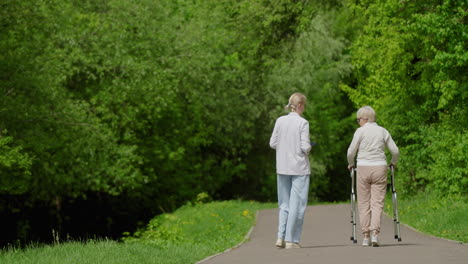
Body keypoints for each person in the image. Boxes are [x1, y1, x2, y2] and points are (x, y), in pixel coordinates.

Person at [347, 106, 399, 247]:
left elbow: (351, 152)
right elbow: (395, 150)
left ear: (365, 119)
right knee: (377, 203)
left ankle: (365, 236)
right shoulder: (382, 131)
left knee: (364, 203)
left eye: (359, 119)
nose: (358, 122)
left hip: (363, 167)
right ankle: (375, 234)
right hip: (380, 167)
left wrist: (351, 164)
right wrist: (393, 163)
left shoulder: (360, 131)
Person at [269, 92, 312, 249]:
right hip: (299, 168)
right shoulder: (303, 123)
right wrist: (309, 149)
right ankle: (291, 240)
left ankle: (280, 237)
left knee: (284, 204)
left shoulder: (280, 121)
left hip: (282, 167)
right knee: (297, 205)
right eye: (304, 106)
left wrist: (284, 147)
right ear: (300, 105)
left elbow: (272, 143)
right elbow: (305, 147)